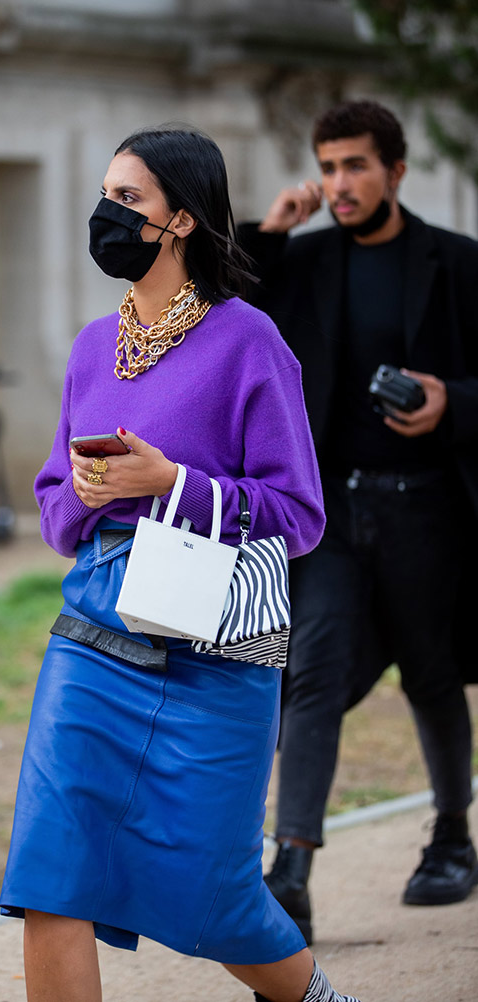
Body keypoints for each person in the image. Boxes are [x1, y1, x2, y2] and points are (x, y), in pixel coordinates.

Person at [0, 127, 363, 1002]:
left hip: (213, 651)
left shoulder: (251, 343)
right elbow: (54, 512)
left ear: (184, 221)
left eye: (130, 200)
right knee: (52, 872)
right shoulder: (92, 347)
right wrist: (90, 489)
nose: (108, 213)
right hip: (92, 638)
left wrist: (175, 482)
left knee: (219, 900)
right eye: (107, 194)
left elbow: (301, 515)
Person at [237, 99, 478, 946]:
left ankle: (453, 834)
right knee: (311, 674)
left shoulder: (457, 262)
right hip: (331, 509)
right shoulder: (302, 260)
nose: (339, 183)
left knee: (432, 675)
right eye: (328, 166)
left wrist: (454, 402)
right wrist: (268, 230)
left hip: (429, 511)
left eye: (356, 166)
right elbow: (224, 309)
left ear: (396, 172)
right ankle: (291, 869)